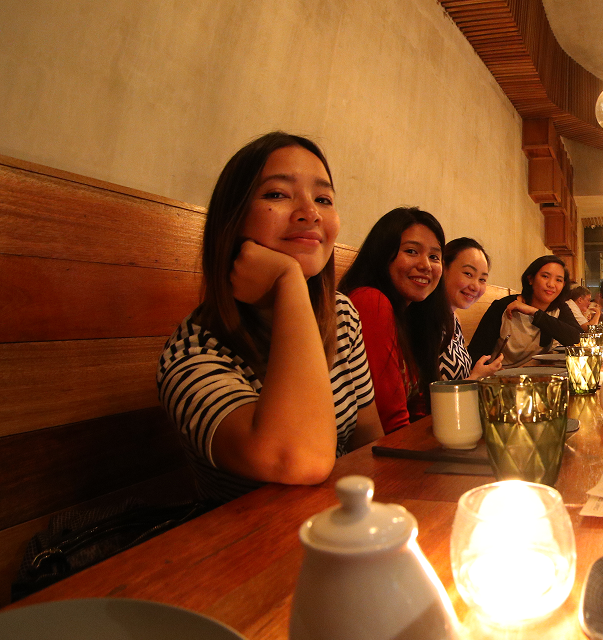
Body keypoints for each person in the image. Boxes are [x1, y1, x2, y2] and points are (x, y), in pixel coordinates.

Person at [156, 132, 382, 504]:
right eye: (277, 194)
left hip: (343, 524)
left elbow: (368, 434)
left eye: (323, 199)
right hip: (249, 551)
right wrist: (287, 280)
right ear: (233, 218)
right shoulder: (191, 355)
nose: (310, 212)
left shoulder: (341, 315)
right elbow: (298, 459)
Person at [339, 207, 452, 433]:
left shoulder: (412, 315)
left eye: (434, 256)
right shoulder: (371, 302)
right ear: (382, 254)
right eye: (411, 251)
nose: (426, 265)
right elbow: (390, 420)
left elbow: (420, 410)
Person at [469, 255, 582, 367]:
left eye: (558, 280)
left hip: (536, 375)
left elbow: (577, 339)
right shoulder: (503, 307)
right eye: (545, 276)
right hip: (502, 377)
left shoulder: (559, 308)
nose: (551, 285)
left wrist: (535, 313)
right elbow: (476, 352)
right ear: (530, 279)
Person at [439, 237, 504, 380]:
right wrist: (476, 377)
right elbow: (428, 396)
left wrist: (480, 372)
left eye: (482, 279)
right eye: (468, 274)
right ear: (443, 269)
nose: (475, 286)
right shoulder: (424, 320)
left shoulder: (454, 319)